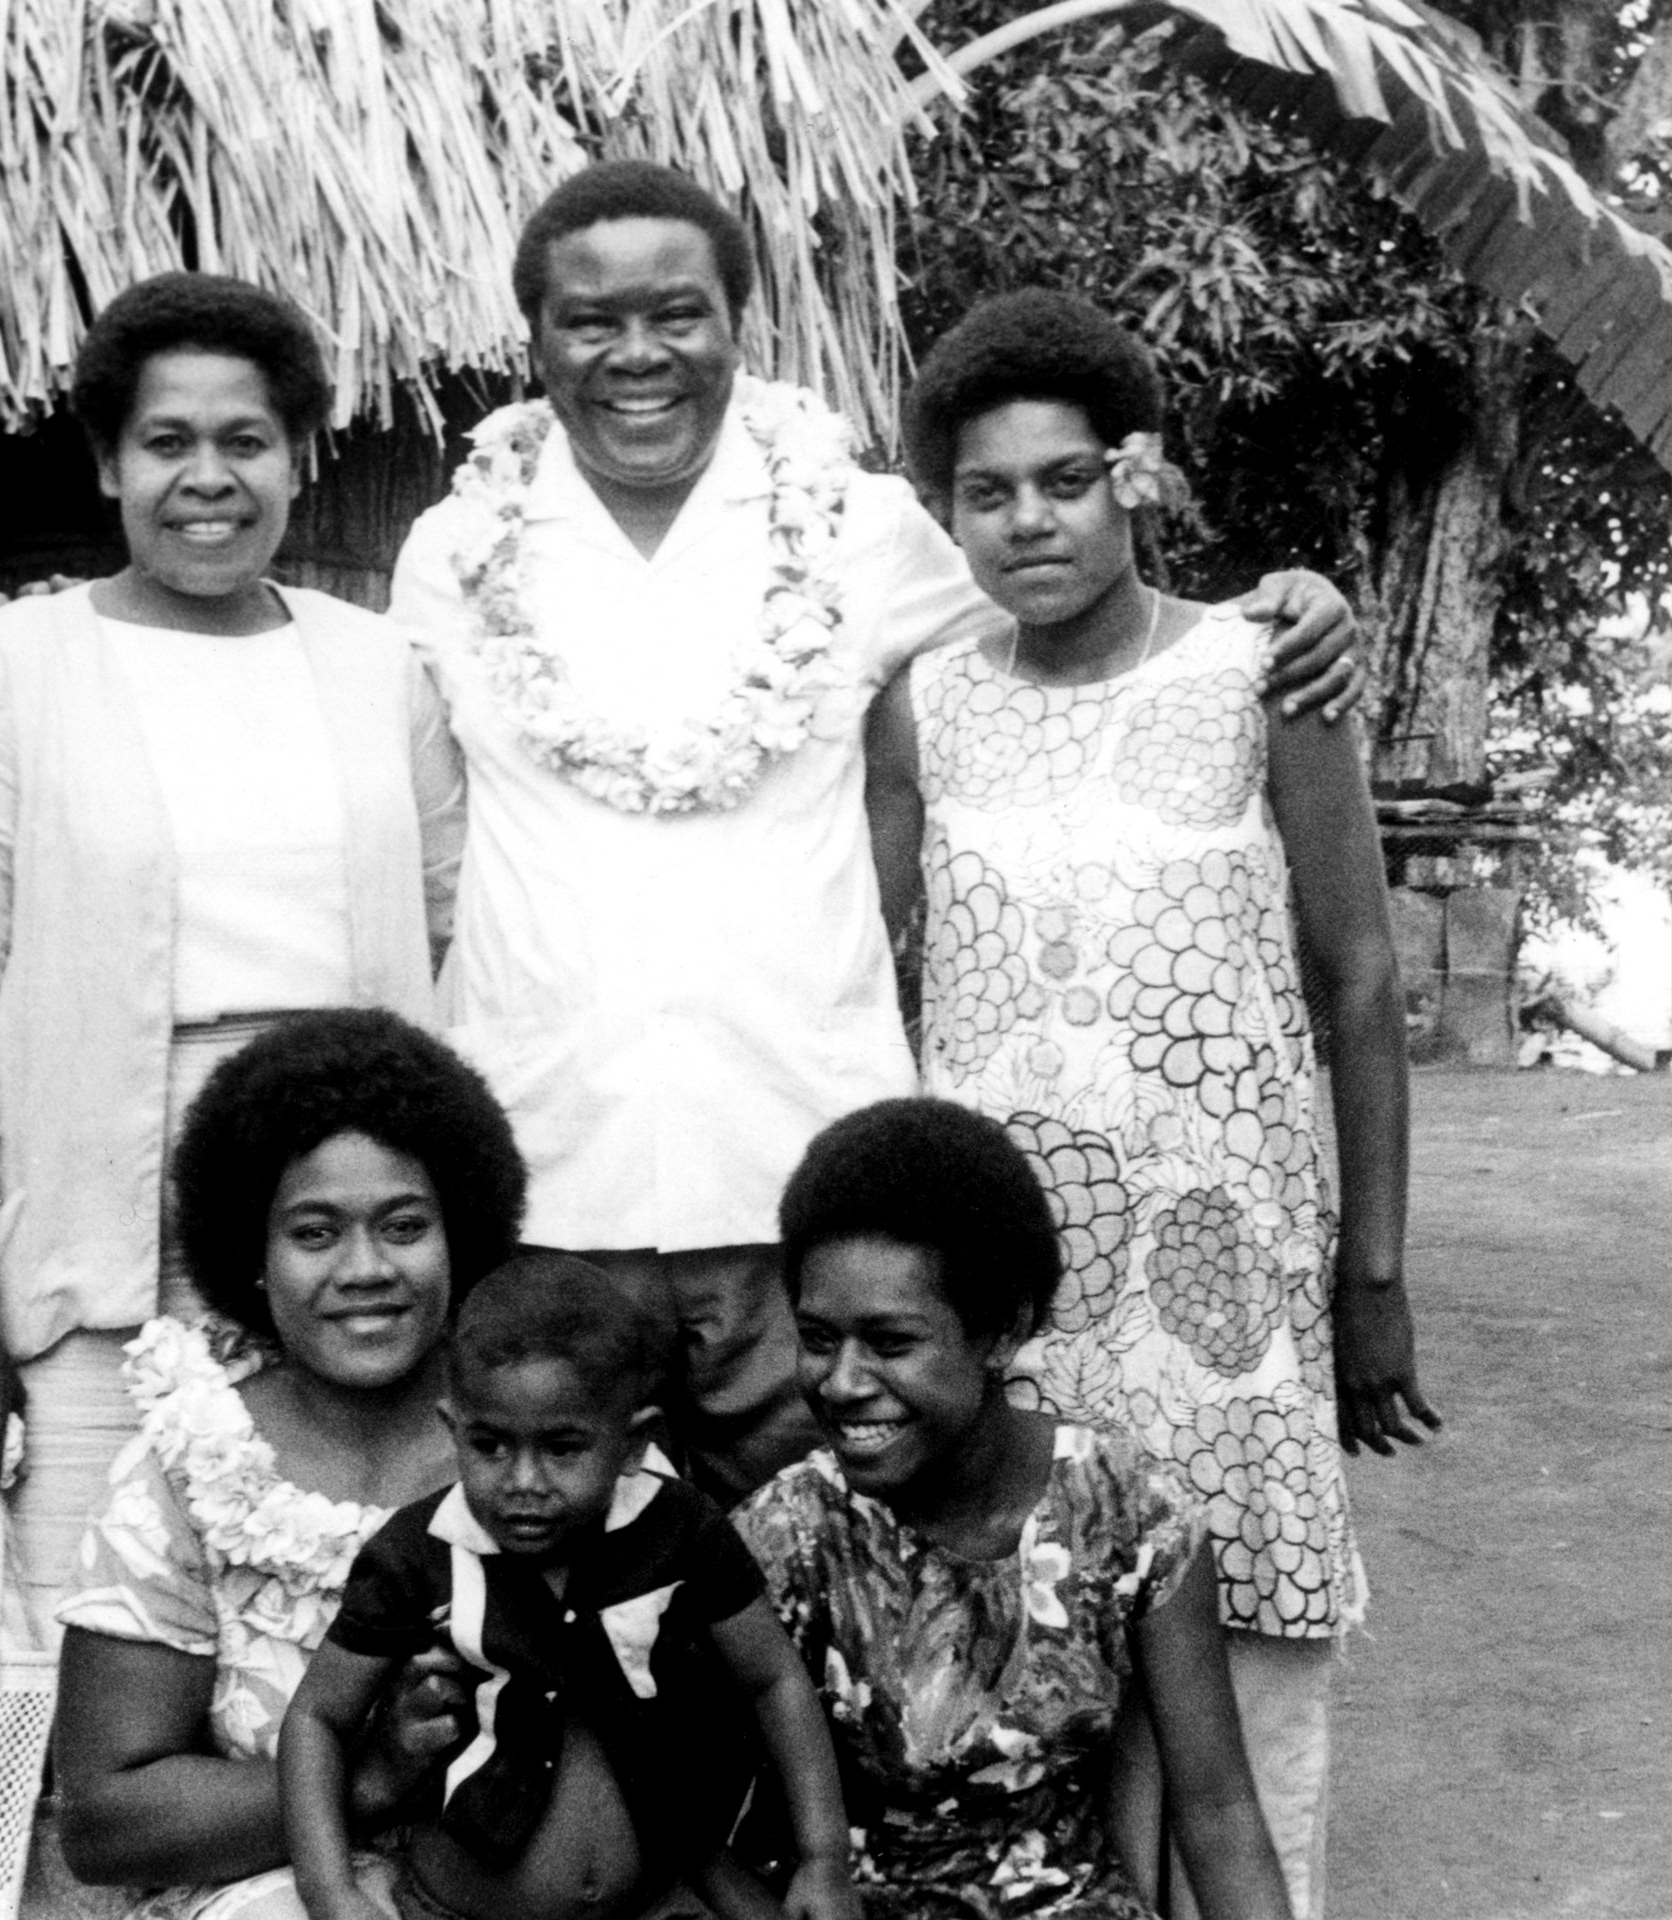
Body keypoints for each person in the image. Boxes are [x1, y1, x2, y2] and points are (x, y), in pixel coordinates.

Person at [387, 161, 1363, 1506]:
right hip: (546, 1195)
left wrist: (1287, 608)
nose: (636, 354)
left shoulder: (858, 529)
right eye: (587, 320)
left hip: (808, 1210)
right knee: (565, 1646)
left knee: (833, 1631)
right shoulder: (454, 556)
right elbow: (431, 857)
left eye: (677, 312)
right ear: (535, 338)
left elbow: (1074, 618)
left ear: (739, 320)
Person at [864, 290, 1441, 1917]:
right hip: (1015, 1313)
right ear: (949, 513)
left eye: (1065, 479)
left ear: (1137, 474)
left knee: (1252, 1701)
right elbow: (863, 978)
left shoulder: (1264, 672)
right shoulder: (921, 706)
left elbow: (1358, 984)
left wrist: (1373, 1274)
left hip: (1223, 1304)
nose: (1030, 519)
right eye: (990, 493)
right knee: (1025, 1744)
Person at [0, 271, 465, 1647]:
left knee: (347, 1629)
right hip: (105, 1242)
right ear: (107, 460)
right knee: (89, 1641)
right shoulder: (5, 673)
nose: (209, 480)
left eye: (246, 442)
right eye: (166, 444)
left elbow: (452, 935)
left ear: (301, 457)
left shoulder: (378, 667)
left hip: (347, 1230)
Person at [734, 1099, 1295, 1920]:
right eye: (819, 1339)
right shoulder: (790, 1534)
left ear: (1002, 1331)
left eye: (891, 1343)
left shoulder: (1128, 1513)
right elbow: (692, 1821)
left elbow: (1218, 1812)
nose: (843, 1381)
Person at [49, 1007, 526, 1918]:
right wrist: (371, 1775)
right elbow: (105, 1823)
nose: (365, 1269)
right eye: (315, 1233)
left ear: (461, 1233)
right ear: (254, 1257)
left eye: (404, 1225)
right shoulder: (192, 1466)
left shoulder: (537, 1438)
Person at [282, 1254, 859, 1920]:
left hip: (655, 1900)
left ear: (633, 1443)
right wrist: (328, 1890)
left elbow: (773, 1680)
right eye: (490, 1445)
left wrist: (824, 1859)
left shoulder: (681, 1532)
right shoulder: (416, 1555)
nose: (524, 1481)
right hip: (459, 1907)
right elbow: (316, 1718)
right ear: (453, 1429)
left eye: (562, 1448)